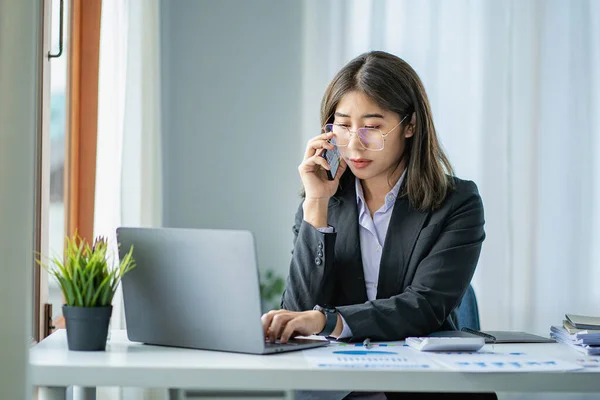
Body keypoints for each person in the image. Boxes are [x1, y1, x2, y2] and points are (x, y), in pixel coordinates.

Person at [261, 51, 496, 400]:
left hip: (423, 388)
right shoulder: (323, 200)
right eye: (342, 126)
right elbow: (298, 310)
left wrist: (329, 320)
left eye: (372, 127)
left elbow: (425, 306)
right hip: (341, 386)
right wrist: (316, 205)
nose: (355, 144)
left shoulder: (456, 202)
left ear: (410, 125)